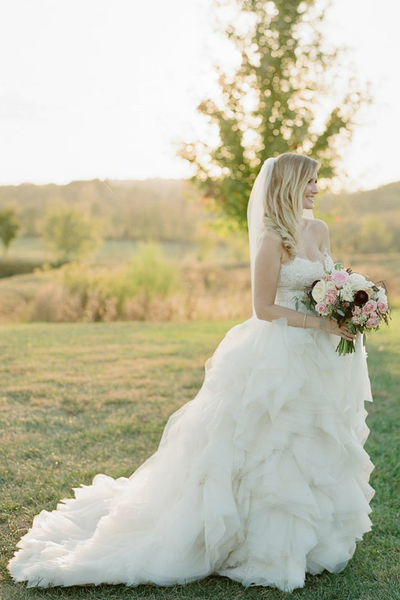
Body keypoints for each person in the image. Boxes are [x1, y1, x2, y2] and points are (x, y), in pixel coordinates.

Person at [7, 153, 375, 593]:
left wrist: (351, 302)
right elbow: (263, 308)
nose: (318, 187)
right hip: (279, 349)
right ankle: (260, 539)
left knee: (315, 438)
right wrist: (322, 323)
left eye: (318, 180)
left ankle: (315, 535)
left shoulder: (318, 229)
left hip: (318, 351)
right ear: (289, 184)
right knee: (269, 441)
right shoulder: (272, 238)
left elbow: (326, 281)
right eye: (310, 180)